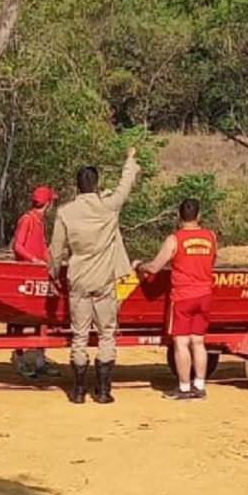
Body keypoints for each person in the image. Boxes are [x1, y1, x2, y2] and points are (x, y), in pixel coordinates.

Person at [49, 147, 141, 404]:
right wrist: (130, 159)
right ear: (97, 184)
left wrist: (53, 272)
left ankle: (78, 391)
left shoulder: (65, 213)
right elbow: (125, 185)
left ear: (77, 186)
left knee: (79, 335)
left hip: (78, 279)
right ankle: (103, 391)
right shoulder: (108, 207)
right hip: (104, 281)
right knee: (106, 334)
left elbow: (56, 251)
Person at [135, 199, 217, 401]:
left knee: (181, 343)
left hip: (183, 298)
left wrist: (139, 265)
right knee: (198, 342)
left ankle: (183, 387)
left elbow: (155, 267)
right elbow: (213, 259)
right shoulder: (211, 236)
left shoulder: (175, 239)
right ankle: (199, 386)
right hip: (205, 295)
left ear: (179, 217)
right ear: (199, 216)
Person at [9, 186, 61, 378]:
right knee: (18, 321)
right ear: (47, 204)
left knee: (42, 318)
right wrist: (33, 260)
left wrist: (51, 261)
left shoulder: (39, 222)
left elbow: (43, 247)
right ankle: (21, 361)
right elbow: (18, 246)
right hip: (24, 276)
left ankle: (40, 361)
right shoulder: (27, 219)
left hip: (38, 275)